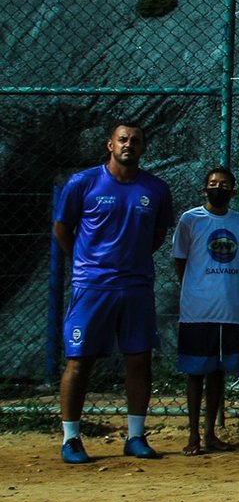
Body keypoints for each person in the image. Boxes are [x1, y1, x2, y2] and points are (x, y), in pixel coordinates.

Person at [55, 121, 175, 463]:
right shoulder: (83, 183)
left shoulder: (156, 188)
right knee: (79, 361)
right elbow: (62, 228)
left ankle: (135, 437)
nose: (128, 145)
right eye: (122, 139)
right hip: (92, 287)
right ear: (110, 144)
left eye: (135, 141)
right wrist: (85, 263)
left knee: (139, 359)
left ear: (143, 148)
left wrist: (131, 262)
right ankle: (71, 439)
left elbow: (157, 235)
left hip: (136, 286)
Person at [172, 166, 239, 457]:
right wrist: (196, 288)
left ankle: (210, 433)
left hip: (229, 311)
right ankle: (193, 435)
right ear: (204, 189)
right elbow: (180, 260)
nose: (218, 188)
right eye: (213, 183)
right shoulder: (190, 219)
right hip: (197, 312)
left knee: (218, 373)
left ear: (233, 191)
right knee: (195, 373)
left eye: (224, 184)